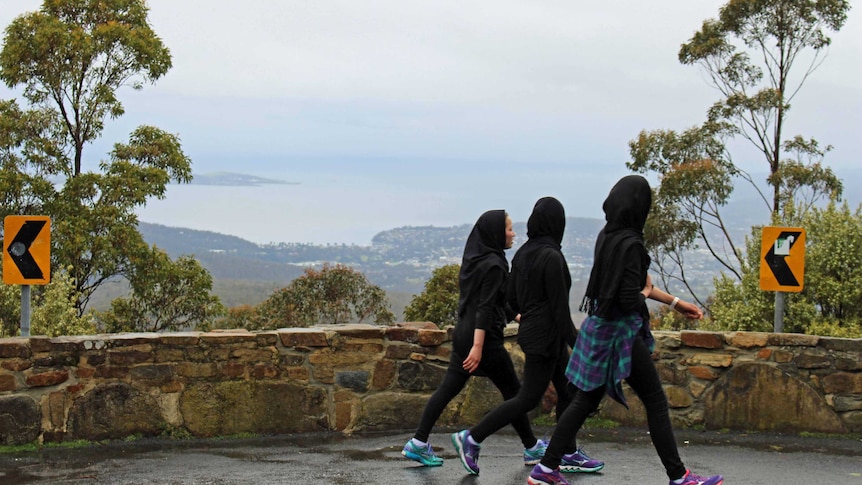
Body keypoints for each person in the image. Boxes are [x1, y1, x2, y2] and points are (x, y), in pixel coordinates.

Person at [526, 175, 723, 485]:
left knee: (583, 402)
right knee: (655, 401)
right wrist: (645, 293)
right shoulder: (631, 243)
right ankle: (679, 476)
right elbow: (631, 296)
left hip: (598, 329)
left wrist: (675, 302)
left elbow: (625, 285)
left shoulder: (608, 235)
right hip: (621, 335)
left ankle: (546, 468)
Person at [452, 197, 604, 476]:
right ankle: (472, 437)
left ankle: (568, 452)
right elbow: (559, 312)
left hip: (539, 335)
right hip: (546, 338)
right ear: (558, 224)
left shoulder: (523, 254)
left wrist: (530, 315)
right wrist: (581, 345)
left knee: (566, 388)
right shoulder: (552, 257)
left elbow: (510, 300)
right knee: (528, 398)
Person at [401, 209, 548, 467]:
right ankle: (529, 447)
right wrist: (479, 347)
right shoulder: (494, 264)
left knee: (448, 389)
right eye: (509, 229)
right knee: (515, 392)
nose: (513, 234)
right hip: (484, 340)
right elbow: (486, 307)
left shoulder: (476, 259)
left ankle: (418, 442)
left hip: (463, 333)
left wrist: (517, 317)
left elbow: (492, 301)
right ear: (495, 233)